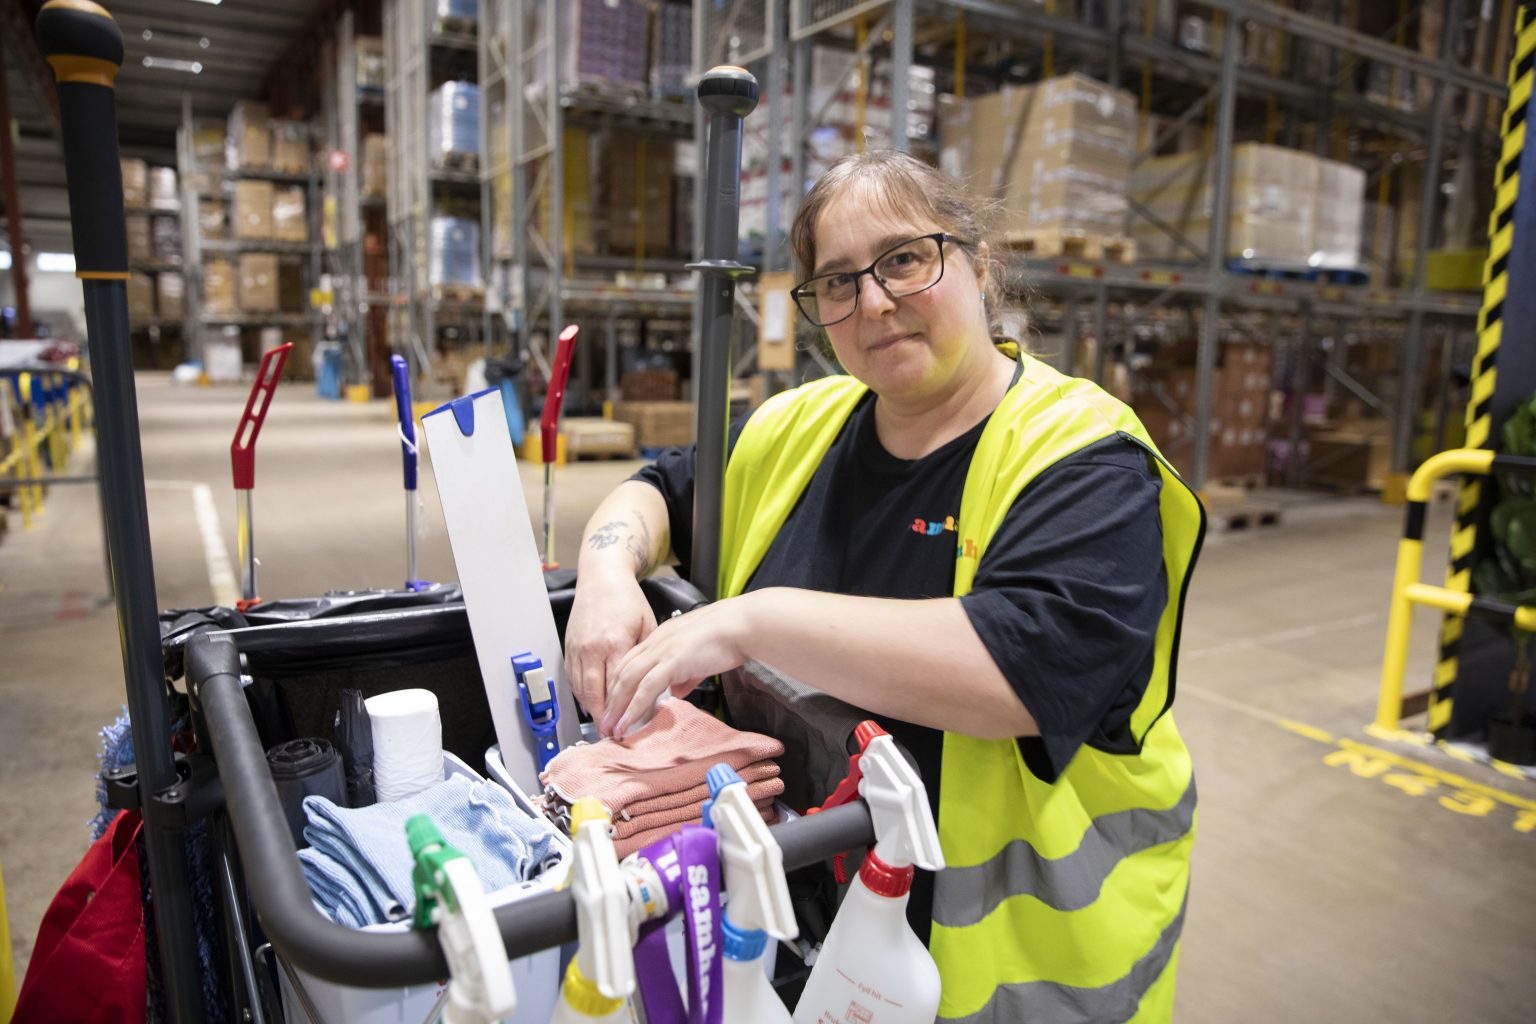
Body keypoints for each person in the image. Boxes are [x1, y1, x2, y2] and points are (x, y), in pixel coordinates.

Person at [564, 149, 1204, 1023]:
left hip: (1011, 978)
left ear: (980, 265)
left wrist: (752, 621)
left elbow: (1028, 672)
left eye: (905, 258)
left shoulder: (1082, 454)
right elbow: (663, 488)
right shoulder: (798, 428)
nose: (873, 301)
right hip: (797, 940)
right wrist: (603, 569)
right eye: (837, 281)